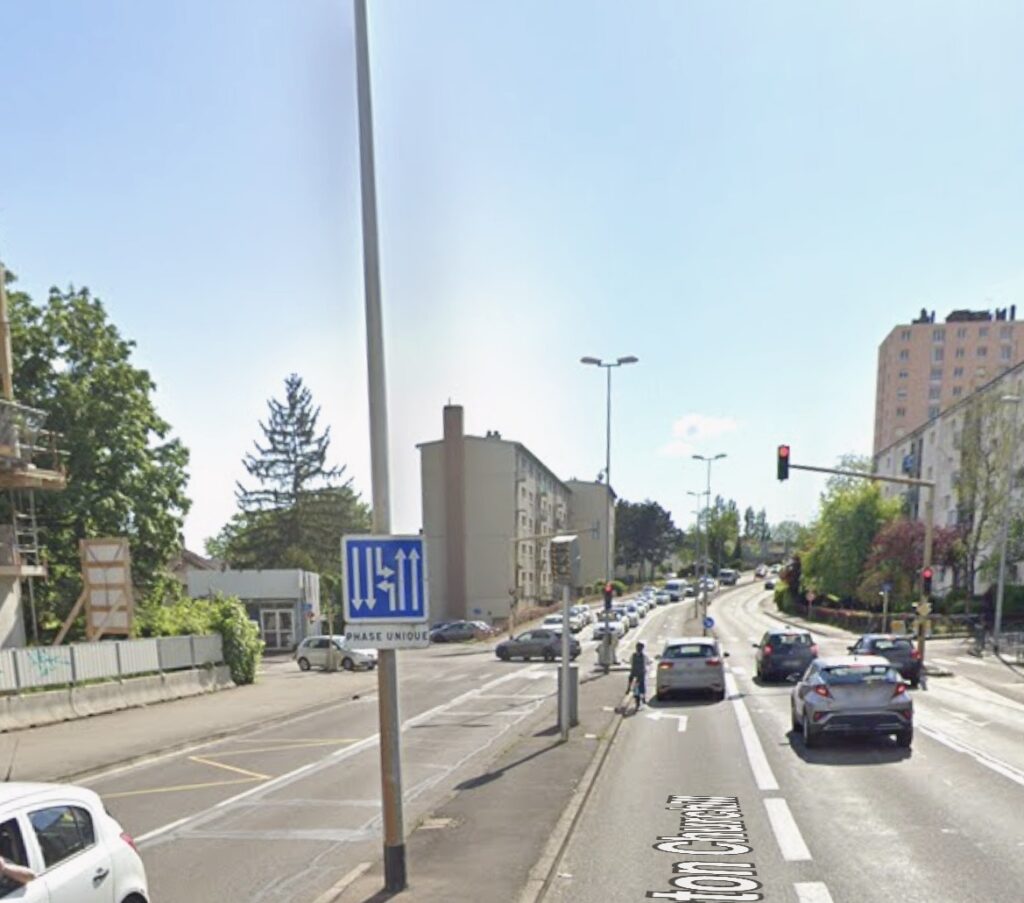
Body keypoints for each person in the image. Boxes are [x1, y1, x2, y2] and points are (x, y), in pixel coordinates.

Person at [628, 641, 649, 710]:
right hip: (639, 675)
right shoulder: (644, 656)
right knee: (640, 689)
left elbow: (630, 662)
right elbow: (647, 662)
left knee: (638, 689)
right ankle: (642, 700)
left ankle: (641, 699)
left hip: (636, 674)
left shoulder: (634, 655)